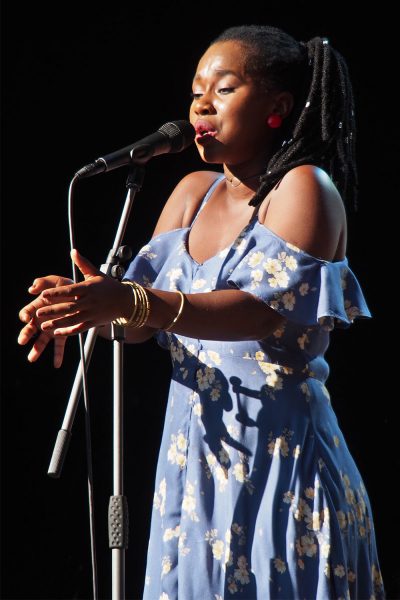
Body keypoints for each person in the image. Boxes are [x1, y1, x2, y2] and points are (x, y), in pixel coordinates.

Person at [18, 24, 384, 600]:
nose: (201, 104)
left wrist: (133, 300)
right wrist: (84, 304)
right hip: (195, 472)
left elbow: (259, 312)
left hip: (280, 467)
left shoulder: (305, 188)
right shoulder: (193, 191)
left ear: (276, 107)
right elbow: (136, 326)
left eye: (224, 88)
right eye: (195, 92)